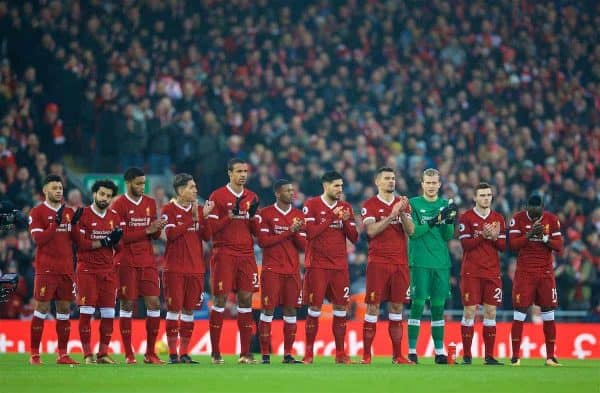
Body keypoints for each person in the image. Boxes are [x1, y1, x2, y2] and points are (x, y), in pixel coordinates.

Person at [207, 158, 260, 364]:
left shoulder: (252, 196)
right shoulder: (217, 196)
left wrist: (254, 217)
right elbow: (210, 230)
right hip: (224, 254)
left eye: (245, 171)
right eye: (239, 171)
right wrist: (229, 217)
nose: (243, 175)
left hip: (246, 255)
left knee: (246, 301)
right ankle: (215, 352)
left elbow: (255, 232)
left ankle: (245, 353)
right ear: (229, 173)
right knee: (220, 300)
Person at [302, 171, 358, 364]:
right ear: (326, 186)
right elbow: (309, 233)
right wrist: (331, 217)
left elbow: (354, 237)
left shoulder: (345, 207)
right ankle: (309, 353)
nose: (340, 189)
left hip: (339, 266)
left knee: (341, 308)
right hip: (317, 265)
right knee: (314, 308)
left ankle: (340, 353)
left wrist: (344, 220)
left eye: (341, 186)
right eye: (336, 186)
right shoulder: (311, 205)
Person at [111, 167, 166, 364]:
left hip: (147, 261)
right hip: (126, 261)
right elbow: (121, 238)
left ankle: (150, 353)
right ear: (128, 183)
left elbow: (154, 235)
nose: (142, 187)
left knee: (154, 303)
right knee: (127, 304)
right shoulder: (118, 205)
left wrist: (157, 229)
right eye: (138, 183)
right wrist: (147, 230)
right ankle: (128, 353)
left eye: (143, 183)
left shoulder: (150, 203)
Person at [360, 167, 414, 365]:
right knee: (373, 306)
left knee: (397, 306)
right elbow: (371, 231)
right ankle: (366, 355)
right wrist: (392, 215)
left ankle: (398, 355)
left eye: (393, 178)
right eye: (387, 178)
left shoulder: (403, 204)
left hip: (400, 262)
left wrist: (404, 214)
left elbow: (411, 232)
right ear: (377, 182)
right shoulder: (370, 204)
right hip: (378, 262)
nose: (391, 181)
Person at [28, 175, 81, 365]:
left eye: (60, 187)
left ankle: (62, 354)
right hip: (46, 269)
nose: (59, 190)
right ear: (45, 191)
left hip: (66, 270)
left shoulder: (68, 212)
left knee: (64, 310)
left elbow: (76, 240)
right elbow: (39, 239)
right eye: (54, 188)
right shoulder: (37, 212)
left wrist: (77, 224)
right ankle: (34, 354)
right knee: (41, 308)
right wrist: (55, 223)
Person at [161, 173, 213, 364]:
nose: (195, 190)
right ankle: (173, 354)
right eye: (192, 187)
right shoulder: (169, 209)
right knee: (174, 310)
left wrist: (204, 218)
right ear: (181, 190)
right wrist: (194, 218)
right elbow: (171, 234)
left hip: (196, 269)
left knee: (189, 311)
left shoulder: (198, 209)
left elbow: (207, 236)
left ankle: (184, 353)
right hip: (175, 268)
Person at [407, 168, 457, 364]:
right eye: (427, 182)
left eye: (434, 182)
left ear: (439, 184)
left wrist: (449, 221)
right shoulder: (413, 204)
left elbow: (447, 236)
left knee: (438, 308)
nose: (430, 186)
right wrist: (436, 219)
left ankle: (439, 352)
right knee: (417, 305)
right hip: (419, 261)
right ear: (422, 184)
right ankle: (412, 350)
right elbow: (414, 232)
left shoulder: (445, 204)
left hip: (441, 263)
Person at [508, 193, 563, 366]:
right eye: (532, 212)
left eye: (538, 212)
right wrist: (530, 233)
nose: (535, 215)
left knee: (548, 312)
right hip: (525, 272)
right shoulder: (517, 219)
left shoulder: (552, 220)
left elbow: (559, 246)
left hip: (546, 272)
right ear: (526, 208)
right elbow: (513, 245)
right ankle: (515, 356)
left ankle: (550, 357)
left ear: (542, 208)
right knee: (520, 312)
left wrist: (545, 238)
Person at [72, 180, 123, 364]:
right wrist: (105, 241)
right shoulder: (83, 215)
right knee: (87, 312)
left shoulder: (114, 217)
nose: (105, 198)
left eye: (109, 196)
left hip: (108, 272)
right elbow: (82, 244)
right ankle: (87, 355)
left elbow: (118, 246)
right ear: (94, 194)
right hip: (87, 270)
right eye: (102, 194)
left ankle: (103, 354)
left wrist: (117, 240)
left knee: (109, 313)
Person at [256, 179, 306, 364]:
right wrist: (289, 231)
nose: (292, 193)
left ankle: (287, 354)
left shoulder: (298, 215)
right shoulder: (266, 214)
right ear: (278, 193)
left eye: (292, 190)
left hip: (292, 271)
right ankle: (265, 354)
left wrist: (295, 232)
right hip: (272, 270)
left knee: (291, 310)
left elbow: (304, 246)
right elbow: (263, 242)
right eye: (287, 190)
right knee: (267, 310)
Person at [457, 183, 506, 365]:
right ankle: (467, 356)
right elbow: (466, 245)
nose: (486, 198)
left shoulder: (498, 218)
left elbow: (503, 247)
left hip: (492, 273)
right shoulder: (466, 218)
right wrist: (482, 236)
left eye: (488, 195)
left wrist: (494, 237)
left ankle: (489, 356)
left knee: (491, 311)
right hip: (471, 272)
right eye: (482, 195)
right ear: (475, 198)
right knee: (470, 311)